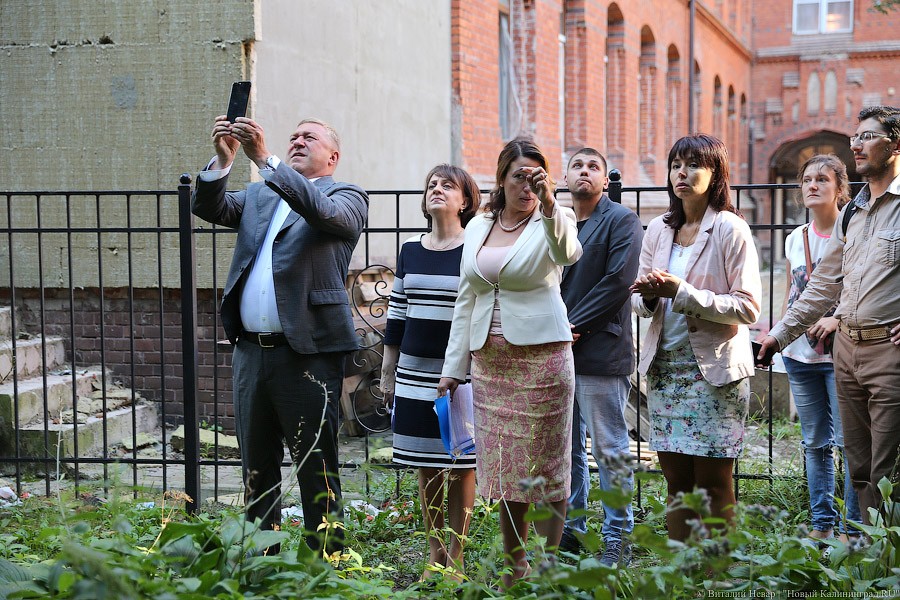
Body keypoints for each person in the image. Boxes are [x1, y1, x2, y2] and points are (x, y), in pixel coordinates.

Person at [192, 114, 368, 554]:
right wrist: (224, 159)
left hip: (307, 354)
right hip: (251, 353)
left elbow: (322, 212)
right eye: (293, 136)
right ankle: (260, 558)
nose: (297, 140)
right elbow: (209, 207)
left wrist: (266, 159)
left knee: (316, 463)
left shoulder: (347, 196)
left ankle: (326, 560)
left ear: (334, 156)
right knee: (257, 466)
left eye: (310, 136)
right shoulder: (260, 195)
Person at [437, 138, 582, 588]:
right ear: (501, 178)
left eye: (537, 175)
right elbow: (467, 296)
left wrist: (551, 202)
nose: (528, 184)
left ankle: (545, 567)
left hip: (543, 361)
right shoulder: (479, 225)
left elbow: (568, 253)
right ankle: (515, 567)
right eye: (520, 175)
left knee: (547, 468)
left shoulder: (555, 219)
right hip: (490, 365)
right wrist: (452, 366)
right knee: (504, 470)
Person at [759, 106, 900, 525]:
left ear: (895, 144)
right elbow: (821, 286)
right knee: (857, 463)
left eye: (869, 137)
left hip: (887, 354)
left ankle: (884, 561)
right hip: (846, 352)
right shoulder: (853, 213)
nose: (856, 144)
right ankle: (856, 547)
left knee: (885, 465)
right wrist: (779, 335)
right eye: (856, 137)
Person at [630, 134, 761, 541]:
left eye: (692, 165)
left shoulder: (730, 228)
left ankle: (720, 574)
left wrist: (682, 293)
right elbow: (639, 304)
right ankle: (680, 571)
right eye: (675, 165)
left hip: (713, 372)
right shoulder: (658, 228)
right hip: (666, 369)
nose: (681, 174)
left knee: (714, 483)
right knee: (676, 483)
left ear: (715, 173)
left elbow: (748, 307)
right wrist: (649, 296)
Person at [379, 164, 480, 579]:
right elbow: (398, 314)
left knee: (461, 463)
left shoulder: (474, 249)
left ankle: (457, 556)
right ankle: (435, 553)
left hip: (460, 373)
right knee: (426, 464)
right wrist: (388, 371)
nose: (437, 190)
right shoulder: (410, 250)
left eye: (447, 185)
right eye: (431, 185)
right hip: (414, 373)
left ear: (466, 201)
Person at [557, 148, 643, 565]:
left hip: (600, 348)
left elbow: (618, 282)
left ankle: (618, 535)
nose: (585, 172)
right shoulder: (558, 223)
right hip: (555, 352)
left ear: (605, 180)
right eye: (578, 165)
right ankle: (572, 529)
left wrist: (571, 327)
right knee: (567, 446)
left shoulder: (621, 220)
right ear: (566, 176)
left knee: (609, 448)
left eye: (593, 166)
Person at [780, 154, 861, 540]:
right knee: (814, 443)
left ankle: (853, 529)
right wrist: (779, 338)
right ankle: (822, 524)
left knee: (849, 445)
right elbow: (790, 292)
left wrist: (839, 319)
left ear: (840, 190)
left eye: (823, 180)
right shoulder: (794, 238)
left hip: (843, 354)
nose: (813, 185)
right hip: (801, 355)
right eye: (807, 179)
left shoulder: (854, 233)